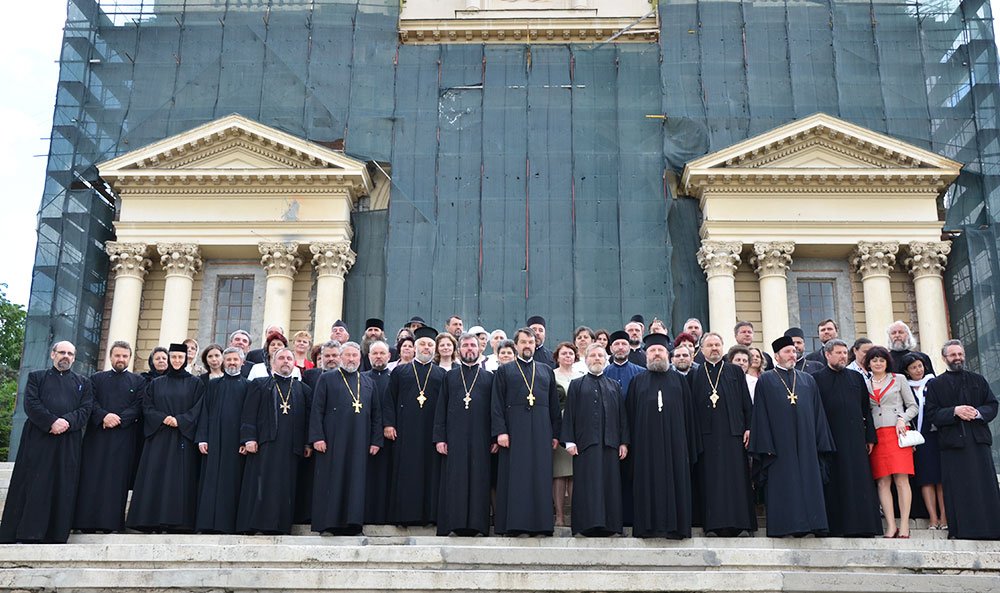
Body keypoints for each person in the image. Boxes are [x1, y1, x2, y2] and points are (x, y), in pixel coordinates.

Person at [0, 341, 94, 544]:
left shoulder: (83, 383)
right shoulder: (37, 377)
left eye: (70, 353)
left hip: (68, 441)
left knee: (62, 484)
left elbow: (86, 409)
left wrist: (66, 422)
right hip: (39, 438)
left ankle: (55, 534)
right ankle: (27, 532)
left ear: (74, 358)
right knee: (34, 483)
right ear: (53, 355)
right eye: (62, 352)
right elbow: (31, 404)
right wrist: (51, 421)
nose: (65, 356)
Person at [749, 336, 835, 537]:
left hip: (806, 442)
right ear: (777, 356)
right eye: (787, 352)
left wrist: (820, 442)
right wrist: (766, 445)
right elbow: (760, 415)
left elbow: (818, 413)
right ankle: (785, 526)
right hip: (779, 445)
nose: (792, 355)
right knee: (783, 483)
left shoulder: (807, 379)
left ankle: (811, 525)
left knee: (808, 481)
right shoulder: (766, 380)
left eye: (794, 352)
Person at [924, 340, 1000, 540]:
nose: (957, 358)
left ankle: (992, 529)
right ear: (944, 358)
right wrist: (955, 411)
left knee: (985, 487)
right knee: (958, 489)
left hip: (978, 442)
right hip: (953, 446)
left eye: (960, 354)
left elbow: (992, 405)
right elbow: (932, 414)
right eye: (952, 355)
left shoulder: (979, 380)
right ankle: (963, 531)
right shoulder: (936, 385)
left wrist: (977, 412)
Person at [625, 333, 698, 539]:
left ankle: (676, 529)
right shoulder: (637, 381)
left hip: (676, 446)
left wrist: (689, 447)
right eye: (652, 351)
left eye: (660, 350)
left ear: (668, 355)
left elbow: (689, 417)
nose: (656, 354)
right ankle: (647, 528)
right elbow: (629, 416)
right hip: (645, 447)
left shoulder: (679, 381)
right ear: (646, 355)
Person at [127, 343, 205, 533]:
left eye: (180, 357)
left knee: (179, 479)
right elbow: (147, 407)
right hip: (159, 436)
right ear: (169, 359)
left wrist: (180, 420)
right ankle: (149, 520)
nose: (177, 361)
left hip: (182, 436)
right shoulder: (156, 383)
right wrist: (164, 419)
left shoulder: (196, 383)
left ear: (186, 359)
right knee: (155, 476)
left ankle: (177, 522)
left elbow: (198, 408)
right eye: (174, 357)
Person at [491, 327, 561, 535]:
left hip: (541, 429)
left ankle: (540, 525)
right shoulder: (505, 370)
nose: (528, 346)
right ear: (516, 345)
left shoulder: (545, 370)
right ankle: (514, 524)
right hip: (514, 429)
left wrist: (555, 433)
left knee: (539, 475)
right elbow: (496, 404)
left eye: (531, 342)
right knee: (516, 476)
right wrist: (500, 432)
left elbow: (554, 405)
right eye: (523, 342)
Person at [236, 348, 312, 535]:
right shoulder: (260, 384)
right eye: (281, 358)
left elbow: (308, 419)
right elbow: (248, 413)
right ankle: (257, 525)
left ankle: (281, 526)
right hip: (264, 444)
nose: (285, 361)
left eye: (289, 358)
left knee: (285, 487)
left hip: (291, 447)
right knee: (262, 484)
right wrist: (249, 438)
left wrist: (307, 444)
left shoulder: (303, 389)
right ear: (272, 362)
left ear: (294, 363)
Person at [811, 339, 882, 537]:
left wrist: (870, 437)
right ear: (827, 355)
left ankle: (863, 527)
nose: (843, 356)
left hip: (857, 439)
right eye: (839, 353)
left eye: (845, 353)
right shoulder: (816, 379)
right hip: (830, 439)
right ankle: (836, 527)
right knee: (836, 482)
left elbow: (865, 409)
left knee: (859, 481)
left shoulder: (856, 378)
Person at [310, 342, 383, 535]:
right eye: (348, 355)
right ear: (341, 357)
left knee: (356, 482)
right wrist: (317, 437)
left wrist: (376, 440)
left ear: (361, 359)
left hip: (360, 439)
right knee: (333, 480)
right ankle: (329, 524)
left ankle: (354, 524)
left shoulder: (368, 382)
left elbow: (376, 414)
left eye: (355, 356)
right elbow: (317, 409)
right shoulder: (327, 378)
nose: (351, 359)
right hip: (333, 440)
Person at [689, 332, 756, 536]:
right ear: (701, 350)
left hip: (733, 435)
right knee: (711, 480)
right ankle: (712, 525)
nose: (714, 348)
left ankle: (740, 523)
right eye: (709, 345)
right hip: (706, 437)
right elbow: (691, 409)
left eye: (717, 344)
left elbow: (746, 402)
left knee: (736, 479)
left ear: (723, 347)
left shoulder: (735, 371)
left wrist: (749, 427)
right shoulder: (695, 374)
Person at [73, 341, 143, 534]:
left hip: (123, 437)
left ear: (129, 358)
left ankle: (111, 524)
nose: (121, 359)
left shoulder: (138, 382)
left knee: (116, 480)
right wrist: (104, 416)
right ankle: (84, 523)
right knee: (90, 478)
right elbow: (89, 402)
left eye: (124, 356)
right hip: (97, 437)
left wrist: (118, 419)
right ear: (110, 357)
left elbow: (138, 406)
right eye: (117, 355)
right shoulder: (96, 379)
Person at [561, 345, 629, 537]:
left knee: (610, 485)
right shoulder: (576, 384)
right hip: (584, 446)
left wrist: (624, 442)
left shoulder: (614, 385)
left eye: (600, 355)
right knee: (587, 485)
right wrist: (569, 441)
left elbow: (622, 416)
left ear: (605, 359)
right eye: (593, 355)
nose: (597, 358)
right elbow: (569, 415)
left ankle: (610, 526)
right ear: (586, 359)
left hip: (610, 445)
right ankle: (586, 525)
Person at [433, 333, 496, 536]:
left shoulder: (489, 377)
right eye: (466, 345)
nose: (469, 349)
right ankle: (454, 523)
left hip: (481, 437)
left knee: (479, 479)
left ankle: (478, 525)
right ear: (459, 351)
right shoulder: (449, 376)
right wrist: (440, 437)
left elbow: (495, 410)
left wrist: (495, 437)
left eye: (473, 346)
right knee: (455, 479)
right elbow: (440, 408)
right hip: (455, 437)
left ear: (480, 350)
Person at [383, 326, 447, 526]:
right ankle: (404, 516)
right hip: (405, 431)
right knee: (406, 472)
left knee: (431, 473)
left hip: (431, 432)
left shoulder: (441, 374)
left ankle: (429, 516)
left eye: (430, 344)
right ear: (414, 347)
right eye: (422, 344)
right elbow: (389, 400)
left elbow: (445, 406)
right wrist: (389, 424)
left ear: (434, 348)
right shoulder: (400, 371)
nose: (426, 348)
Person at [864, 345, 918, 538]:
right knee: (882, 482)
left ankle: (904, 524)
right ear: (868, 363)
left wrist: (903, 418)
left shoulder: (899, 379)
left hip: (898, 432)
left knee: (901, 479)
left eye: (881, 360)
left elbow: (913, 405)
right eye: (874, 360)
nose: (878, 363)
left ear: (887, 362)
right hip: (878, 436)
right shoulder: (866, 383)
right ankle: (890, 525)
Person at [194, 347, 248, 534]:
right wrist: (202, 438)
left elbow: (249, 417)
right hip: (213, 441)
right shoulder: (213, 385)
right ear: (224, 362)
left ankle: (228, 525)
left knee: (232, 483)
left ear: (242, 362)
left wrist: (245, 440)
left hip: (236, 444)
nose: (232, 363)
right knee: (210, 481)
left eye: (235, 360)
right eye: (229, 360)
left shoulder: (248, 386)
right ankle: (206, 524)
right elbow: (204, 412)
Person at [902, 353, 946, 531]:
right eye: (913, 367)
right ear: (907, 371)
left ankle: (944, 517)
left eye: (920, 366)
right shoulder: (905, 387)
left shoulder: (934, 383)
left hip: (937, 435)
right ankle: (933, 518)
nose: (918, 370)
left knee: (941, 479)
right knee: (926, 479)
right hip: (919, 438)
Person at [551, 342, 583, 527]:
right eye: (564, 353)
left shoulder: (581, 376)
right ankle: (560, 516)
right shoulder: (551, 375)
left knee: (574, 472)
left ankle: (574, 514)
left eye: (571, 353)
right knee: (559, 473)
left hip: (577, 428)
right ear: (557, 356)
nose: (567, 356)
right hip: (559, 426)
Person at [364, 340, 394, 525]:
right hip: (366, 437)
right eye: (375, 353)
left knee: (387, 477)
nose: (378, 356)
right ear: (368, 357)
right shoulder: (362, 378)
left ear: (389, 356)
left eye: (382, 353)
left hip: (391, 438)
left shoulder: (395, 377)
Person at [604, 330, 644, 395]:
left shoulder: (641, 373)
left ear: (629, 347)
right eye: (616, 344)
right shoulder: (604, 373)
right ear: (611, 348)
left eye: (624, 344)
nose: (620, 347)